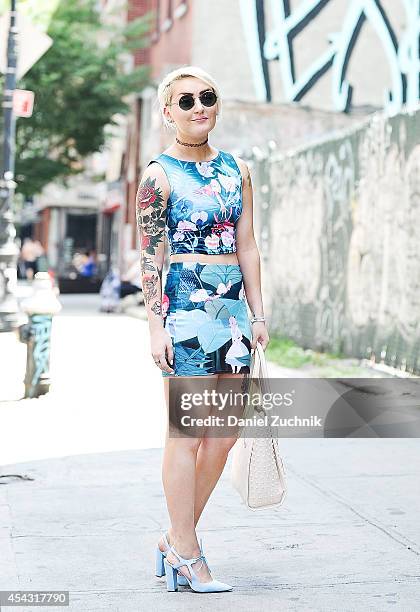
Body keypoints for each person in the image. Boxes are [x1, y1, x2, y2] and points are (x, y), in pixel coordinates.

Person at [135, 66, 269, 594]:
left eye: (207, 97)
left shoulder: (237, 171)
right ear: (168, 112)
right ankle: (188, 550)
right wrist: (155, 325)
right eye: (185, 100)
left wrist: (258, 314)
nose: (198, 107)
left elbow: (249, 244)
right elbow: (150, 255)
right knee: (185, 434)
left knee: (224, 433)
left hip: (233, 312)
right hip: (184, 309)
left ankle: (174, 535)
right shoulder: (158, 175)